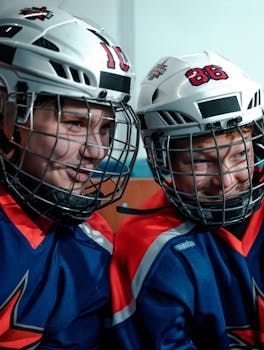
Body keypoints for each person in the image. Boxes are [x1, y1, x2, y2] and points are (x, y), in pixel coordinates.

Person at [109, 51, 264, 349]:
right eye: (200, 161)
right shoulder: (147, 246)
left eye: (239, 154)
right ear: (163, 161)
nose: (225, 181)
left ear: (258, 145)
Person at [0, 5, 140, 348]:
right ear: (7, 111)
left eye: (106, 128)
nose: (96, 151)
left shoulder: (91, 244)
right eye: (75, 123)